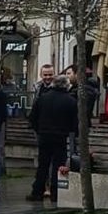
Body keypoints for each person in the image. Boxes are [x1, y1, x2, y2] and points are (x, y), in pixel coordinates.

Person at [29, 75, 80, 203]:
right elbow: (75, 123)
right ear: (66, 85)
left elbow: (32, 118)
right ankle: (56, 193)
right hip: (60, 137)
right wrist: (72, 133)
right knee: (58, 165)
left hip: (44, 136)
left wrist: (39, 130)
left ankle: (37, 191)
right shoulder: (71, 101)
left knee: (43, 165)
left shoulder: (42, 98)